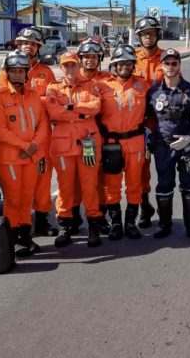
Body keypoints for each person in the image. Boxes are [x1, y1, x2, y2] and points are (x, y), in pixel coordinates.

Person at [0, 27, 58, 236]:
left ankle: (42, 221)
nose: (28, 47)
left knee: (42, 182)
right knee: (17, 190)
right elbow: (0, 102)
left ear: (38, 48)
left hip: (41, 139)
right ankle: (18, 229)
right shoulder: (5, 73)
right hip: (15, 140)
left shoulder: (46, 72)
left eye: (33, 44)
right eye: (25, 43)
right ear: (18, 45)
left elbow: (51, 103)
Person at [0, 51, 50, 256]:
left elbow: (43, 123)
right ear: (7, 73)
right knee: (13, 200)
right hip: (10, 158)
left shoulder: (34, 96)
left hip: (31, 157)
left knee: (27, 199)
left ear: (26, 73)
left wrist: (34, 144)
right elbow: (0, 130)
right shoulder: (0, 98)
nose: (17, 74)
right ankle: (13, 240)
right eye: (13, 71)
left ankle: (26, 237)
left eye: (21, 71)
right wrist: (26, 146)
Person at [45, 52, 104, 248]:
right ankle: (65, 225)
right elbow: (53, 111)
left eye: (73, 65)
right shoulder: (52, 88)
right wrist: (80, 111)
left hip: (88, 143)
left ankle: (94, 225)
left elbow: (95, 106)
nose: (70, 69)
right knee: (65, 187)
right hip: (62, 147)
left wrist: (69, 108)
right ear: (60, 68)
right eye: (66, 66)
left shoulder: (90, 85)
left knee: (90, 186)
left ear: (78, 66)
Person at [147, 48, 190, 239]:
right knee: (164, 186)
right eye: (167, 63)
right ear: (161, 66)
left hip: (186, 145)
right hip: (164, 147)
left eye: (174, 63)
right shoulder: (153, 92)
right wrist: (151, 140)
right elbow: (147, 120)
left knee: (189, 185)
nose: (170, 67)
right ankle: (165, 225)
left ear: (180, 65)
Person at [97, 45, 150, 240]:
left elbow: (152, 114)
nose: (125, 66)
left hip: (135, 142)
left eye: (129, 63)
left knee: (135, 184)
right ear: (114, 65)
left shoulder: (143, 86)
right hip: (111, 144)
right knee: (111, 186)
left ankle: (130, 223)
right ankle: (116, 223)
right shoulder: (102, 86)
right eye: (121, 63)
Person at [65, 38, 112, 234]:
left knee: (99, 179)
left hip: (104, 134)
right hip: (80, 134)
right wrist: (82, 111)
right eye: (86, 57)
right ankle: (73, 217)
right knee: (74, 179)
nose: (90, 60)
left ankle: (99, 217)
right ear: (80, 59)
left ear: (99, 58)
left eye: (94, 56)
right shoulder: (74, 79)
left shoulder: (108, 79)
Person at [134, 16, 165, 227]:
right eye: (144, 34)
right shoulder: (131, 57)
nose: (148, 37)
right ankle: (144, 207)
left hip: (162, 121)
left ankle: (165, 209)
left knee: (163, 166)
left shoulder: (167, 57)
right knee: (141, 168)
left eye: (151, 33)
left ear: (157, 35)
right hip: (138, 122)